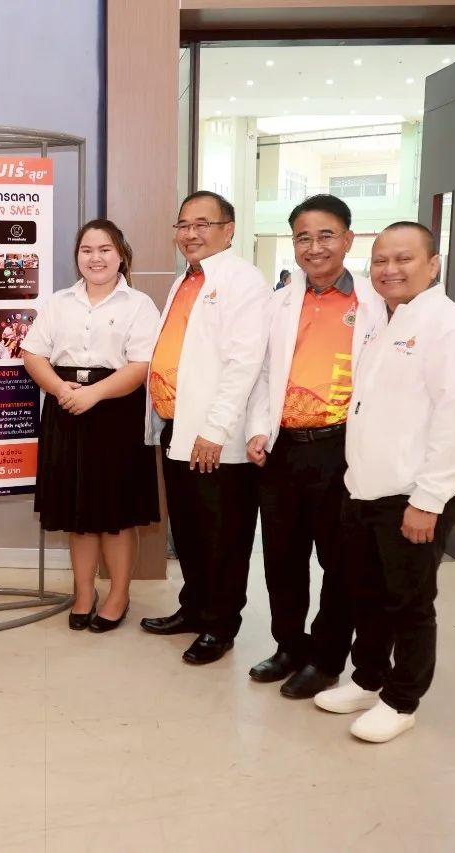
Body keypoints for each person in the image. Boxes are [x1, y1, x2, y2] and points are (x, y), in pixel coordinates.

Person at [313, 222, 455, 744]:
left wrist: (428, 500)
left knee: (409, 602)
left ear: (433, 265)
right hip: (366, 486)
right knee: (366, 592)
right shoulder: (383, 320)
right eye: (381, 260)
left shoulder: (452, 327)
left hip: (414, 494)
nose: (390, 270)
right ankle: (367, 679)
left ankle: (402, 700)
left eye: (404, 259)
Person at [244, 195, 365, 699]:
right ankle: (290, 646)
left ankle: (327, 657)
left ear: (348, 239)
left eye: (326, 235)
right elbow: (262, 372)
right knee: (282, 557)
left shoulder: (372, 304)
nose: (314, 247)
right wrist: (257, 428)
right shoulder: (279, 302)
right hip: (284, 449)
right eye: (303, 238)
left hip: (343, 449)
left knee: (340, 560)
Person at [139, 191, 268, 664]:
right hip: (178, 428)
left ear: (228, 230)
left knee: (222, 537)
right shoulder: (186, 280)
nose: (190, 234)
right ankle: (193, 608)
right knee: (190, 530)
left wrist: (215, 430)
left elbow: (243, 363)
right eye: (183, 225)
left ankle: (220, 625)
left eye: (202, 224)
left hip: (215, 436)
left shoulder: (243, 281)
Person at [22, 219, 161, 632]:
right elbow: (33, 354)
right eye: (87, 250)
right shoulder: (58, 302)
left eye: (104, 249)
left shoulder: (139, 304)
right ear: (77, 256)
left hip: (117, 412)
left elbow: (141, 365)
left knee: (116, 514)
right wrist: (60, 390)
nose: (95, 258)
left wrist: (94, 394)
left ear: (121, 256)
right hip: (65, 407)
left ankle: (118, 595)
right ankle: (84, 593)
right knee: (77, 512)